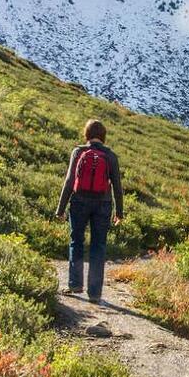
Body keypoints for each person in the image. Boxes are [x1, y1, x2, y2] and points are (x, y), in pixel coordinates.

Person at [56, 119, 123, 304]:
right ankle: (94, 293)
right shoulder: (110, 156)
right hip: (103, 204)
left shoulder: (78, 152)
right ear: (103, 136)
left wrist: (60, 209)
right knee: (98, 246)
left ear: (86, 134)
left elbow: (69, 181)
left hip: (79, 201)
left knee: (76, 240)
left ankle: (75, 284)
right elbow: (117, 186)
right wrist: (120, 212)